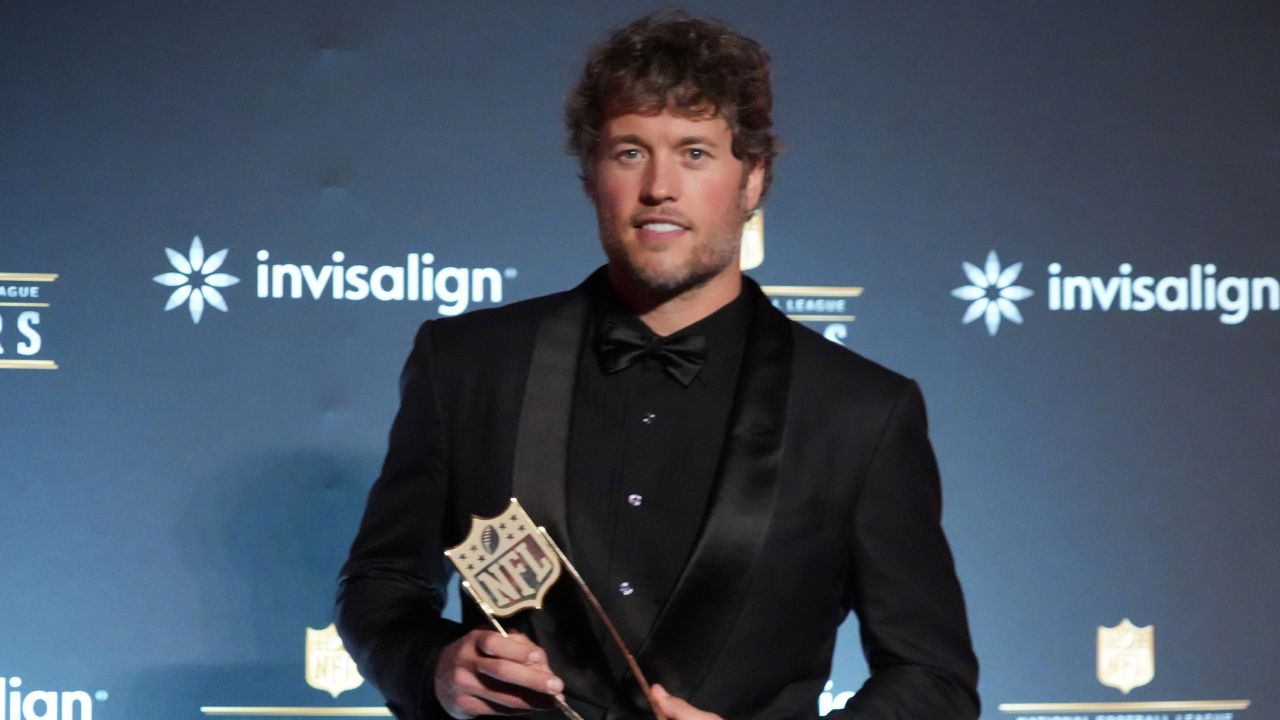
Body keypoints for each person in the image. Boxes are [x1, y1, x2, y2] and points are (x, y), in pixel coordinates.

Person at [336, 11, 979, 720]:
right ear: (591, 173)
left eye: (695, 153)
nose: (659, 188)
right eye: (630, 152)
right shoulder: (467, 365)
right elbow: (383, 584)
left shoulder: (860, 412)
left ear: (754, 178)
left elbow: (931, 676)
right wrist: (433, 666)